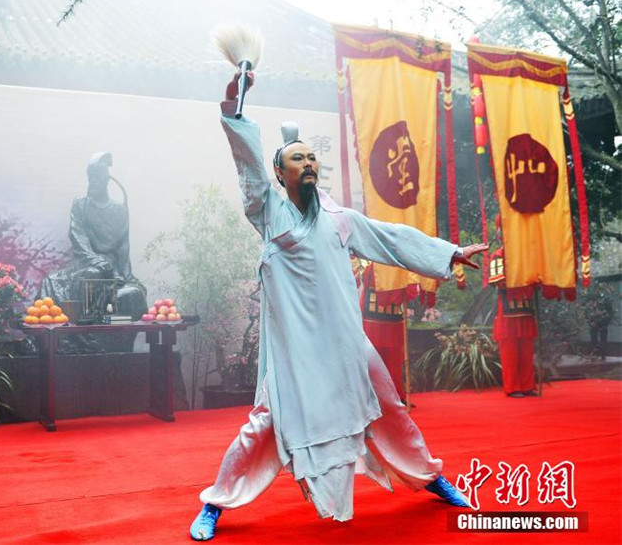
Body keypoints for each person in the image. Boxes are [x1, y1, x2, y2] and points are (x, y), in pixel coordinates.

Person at [189, 73, 487, 540]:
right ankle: (216, 504)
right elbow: (247, 164)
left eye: (311, 158)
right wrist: (234, 104)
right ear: (280, 173)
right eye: (296, 159)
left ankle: (432, 478)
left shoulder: (341, 220)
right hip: (295, 353)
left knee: (388, 408)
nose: (308, 164)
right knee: (263, 425)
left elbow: (392, 239)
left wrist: (448, 253)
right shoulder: (267, 211)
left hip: (345, 343)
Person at [38, 152, 147, 321]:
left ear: (106, 180)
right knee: (92, 274)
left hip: (113, 271)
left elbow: (123, 250)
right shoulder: (80, 205)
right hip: (88, 265)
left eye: (96, 179)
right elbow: (78, 237)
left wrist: (128, 277)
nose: (92, 183)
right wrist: (96, 260)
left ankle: (106, 320)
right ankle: (89, 321)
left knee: (134, 293)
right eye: (90, 178)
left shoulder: (120, 211)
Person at [488, 246, 538, 398]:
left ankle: (528, 385)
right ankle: (512, 387)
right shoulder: (498, 255)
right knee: (510, 352)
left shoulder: (527, 253)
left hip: (526, 309)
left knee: (527, 351)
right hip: (508, 311)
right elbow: (499, 282)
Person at [359, 262, 409, 403]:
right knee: (373, 359)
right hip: (373, 318)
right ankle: (373, 396)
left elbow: (409, 292)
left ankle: (395, 395)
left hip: (389, 319)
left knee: (393, 361)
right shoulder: (371, 267)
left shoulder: (400, 267)